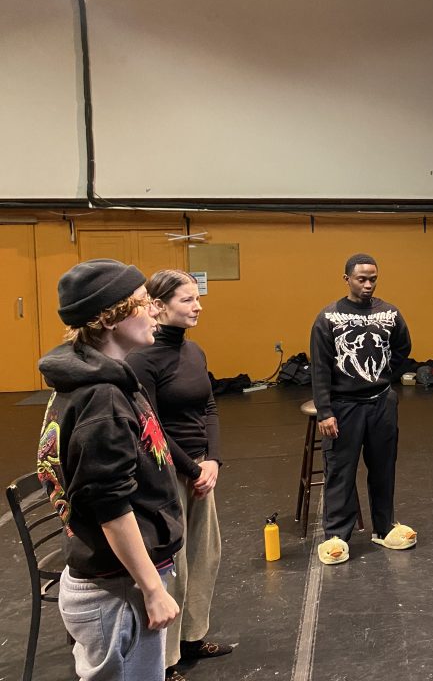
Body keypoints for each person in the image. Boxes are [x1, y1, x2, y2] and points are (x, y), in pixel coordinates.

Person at [36, 259, 182, 681]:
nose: (154, 309)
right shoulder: (102, 398)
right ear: (109, 318)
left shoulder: (99, 381)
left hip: (117, 583)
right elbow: (110, 507)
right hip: (118, 590)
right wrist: (151, 589)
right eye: (142, 302)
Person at [126, 270, 232, 681]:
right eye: (187, 300)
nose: (197, 306)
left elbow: (210, 408)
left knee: (205, 557)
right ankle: (166, 661)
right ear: (158, 306)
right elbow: (150, 426)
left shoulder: (194, 351)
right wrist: (192, 468)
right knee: (175, 568)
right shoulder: (142, 360)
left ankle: (192, 638)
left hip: (201, 470)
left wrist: (213, 460)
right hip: (168, 473)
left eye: (197, 298)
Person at [310, 253, 416, 565]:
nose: (368, 285)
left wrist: (386, 375)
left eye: (373, 279)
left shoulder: (390, 313)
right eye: (361, 279)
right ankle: (336, 536)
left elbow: (403, 348)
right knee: (340, 471)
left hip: (382, 402)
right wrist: (325, 411)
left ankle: (384, 528)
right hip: (344, 406)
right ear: (347, 279)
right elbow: (320, 368)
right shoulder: (328, 318)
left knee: (383, 468)